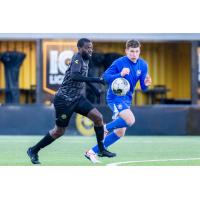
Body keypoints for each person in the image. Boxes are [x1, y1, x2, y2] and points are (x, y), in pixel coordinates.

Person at [27, 38, 116, 164]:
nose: (90, 50)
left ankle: (101, 149)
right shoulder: (77, 58)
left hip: (77, 98)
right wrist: (96, 80)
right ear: (79, 48)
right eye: (87, 48)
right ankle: (33, 150)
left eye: (91, 47)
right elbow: (75, 76)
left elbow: (82, 77)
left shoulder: (86, 58)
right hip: (64, 100)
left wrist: (94, 88)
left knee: (98, 117)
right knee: (59, 131)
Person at [85, 39, 152, 163]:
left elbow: (143, 87)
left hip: (127, 99)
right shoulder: (119, 62)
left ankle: (91, 152)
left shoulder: (143, 65)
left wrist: (147, 84)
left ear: (139, 51)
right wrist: (120, 74)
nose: (134, 54)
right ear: (126, 51)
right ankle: (105, 128)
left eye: (137, 51)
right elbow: (105, 77)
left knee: (120, 132)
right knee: (130, 120)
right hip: (114, 97)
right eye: (131, 51)